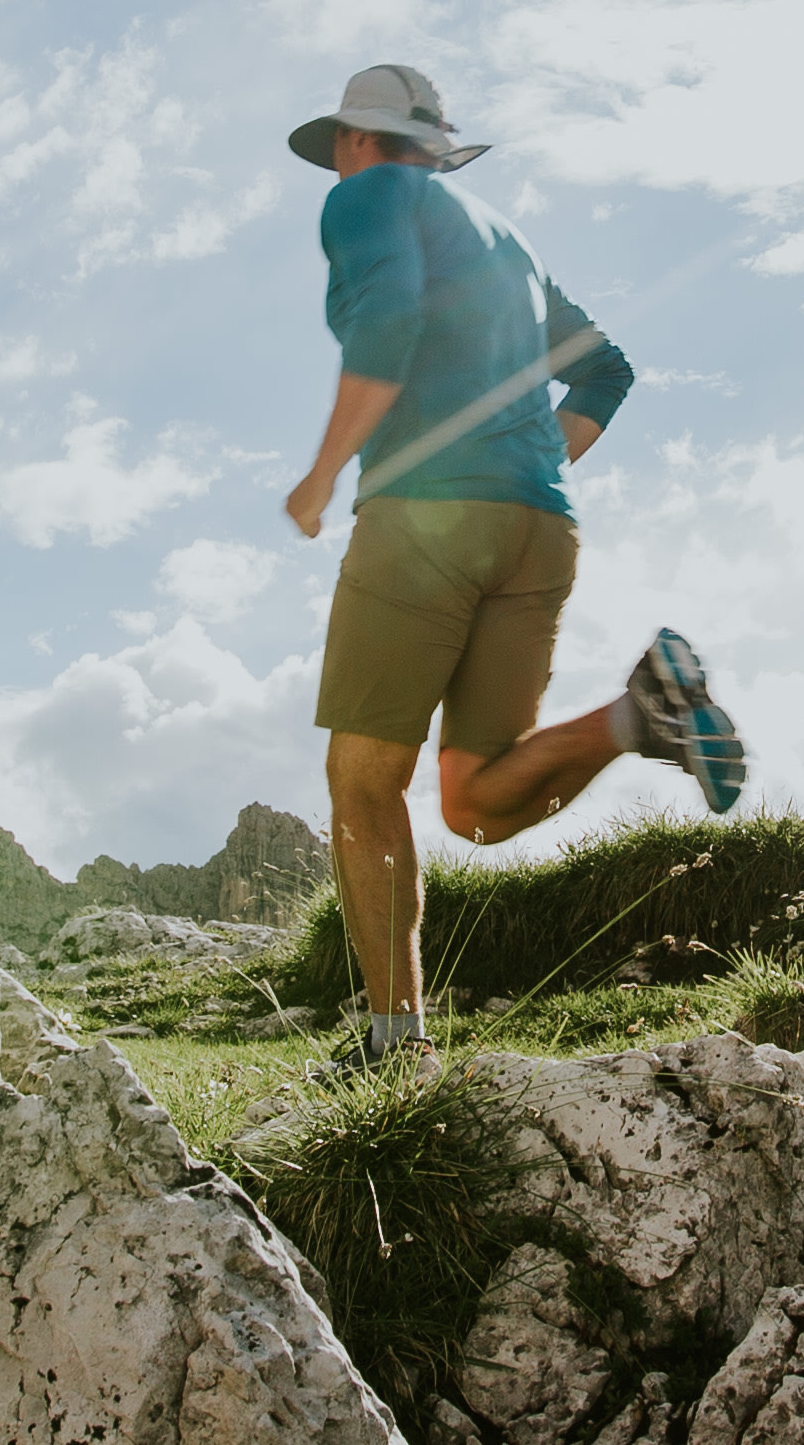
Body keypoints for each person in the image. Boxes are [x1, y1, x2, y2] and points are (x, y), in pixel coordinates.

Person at [281, 61, 745, 1069]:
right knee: (474, 803)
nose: (338, 164)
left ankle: (393, 1044)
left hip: (424, 520)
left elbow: (388, 320)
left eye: (341, 146)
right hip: (540, 525)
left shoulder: (366, 198)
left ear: (361, 141)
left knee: (363, 781)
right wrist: (526, 466)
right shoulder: (507, 242)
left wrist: (321, 473)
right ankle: (640, 714)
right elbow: (607, 368)